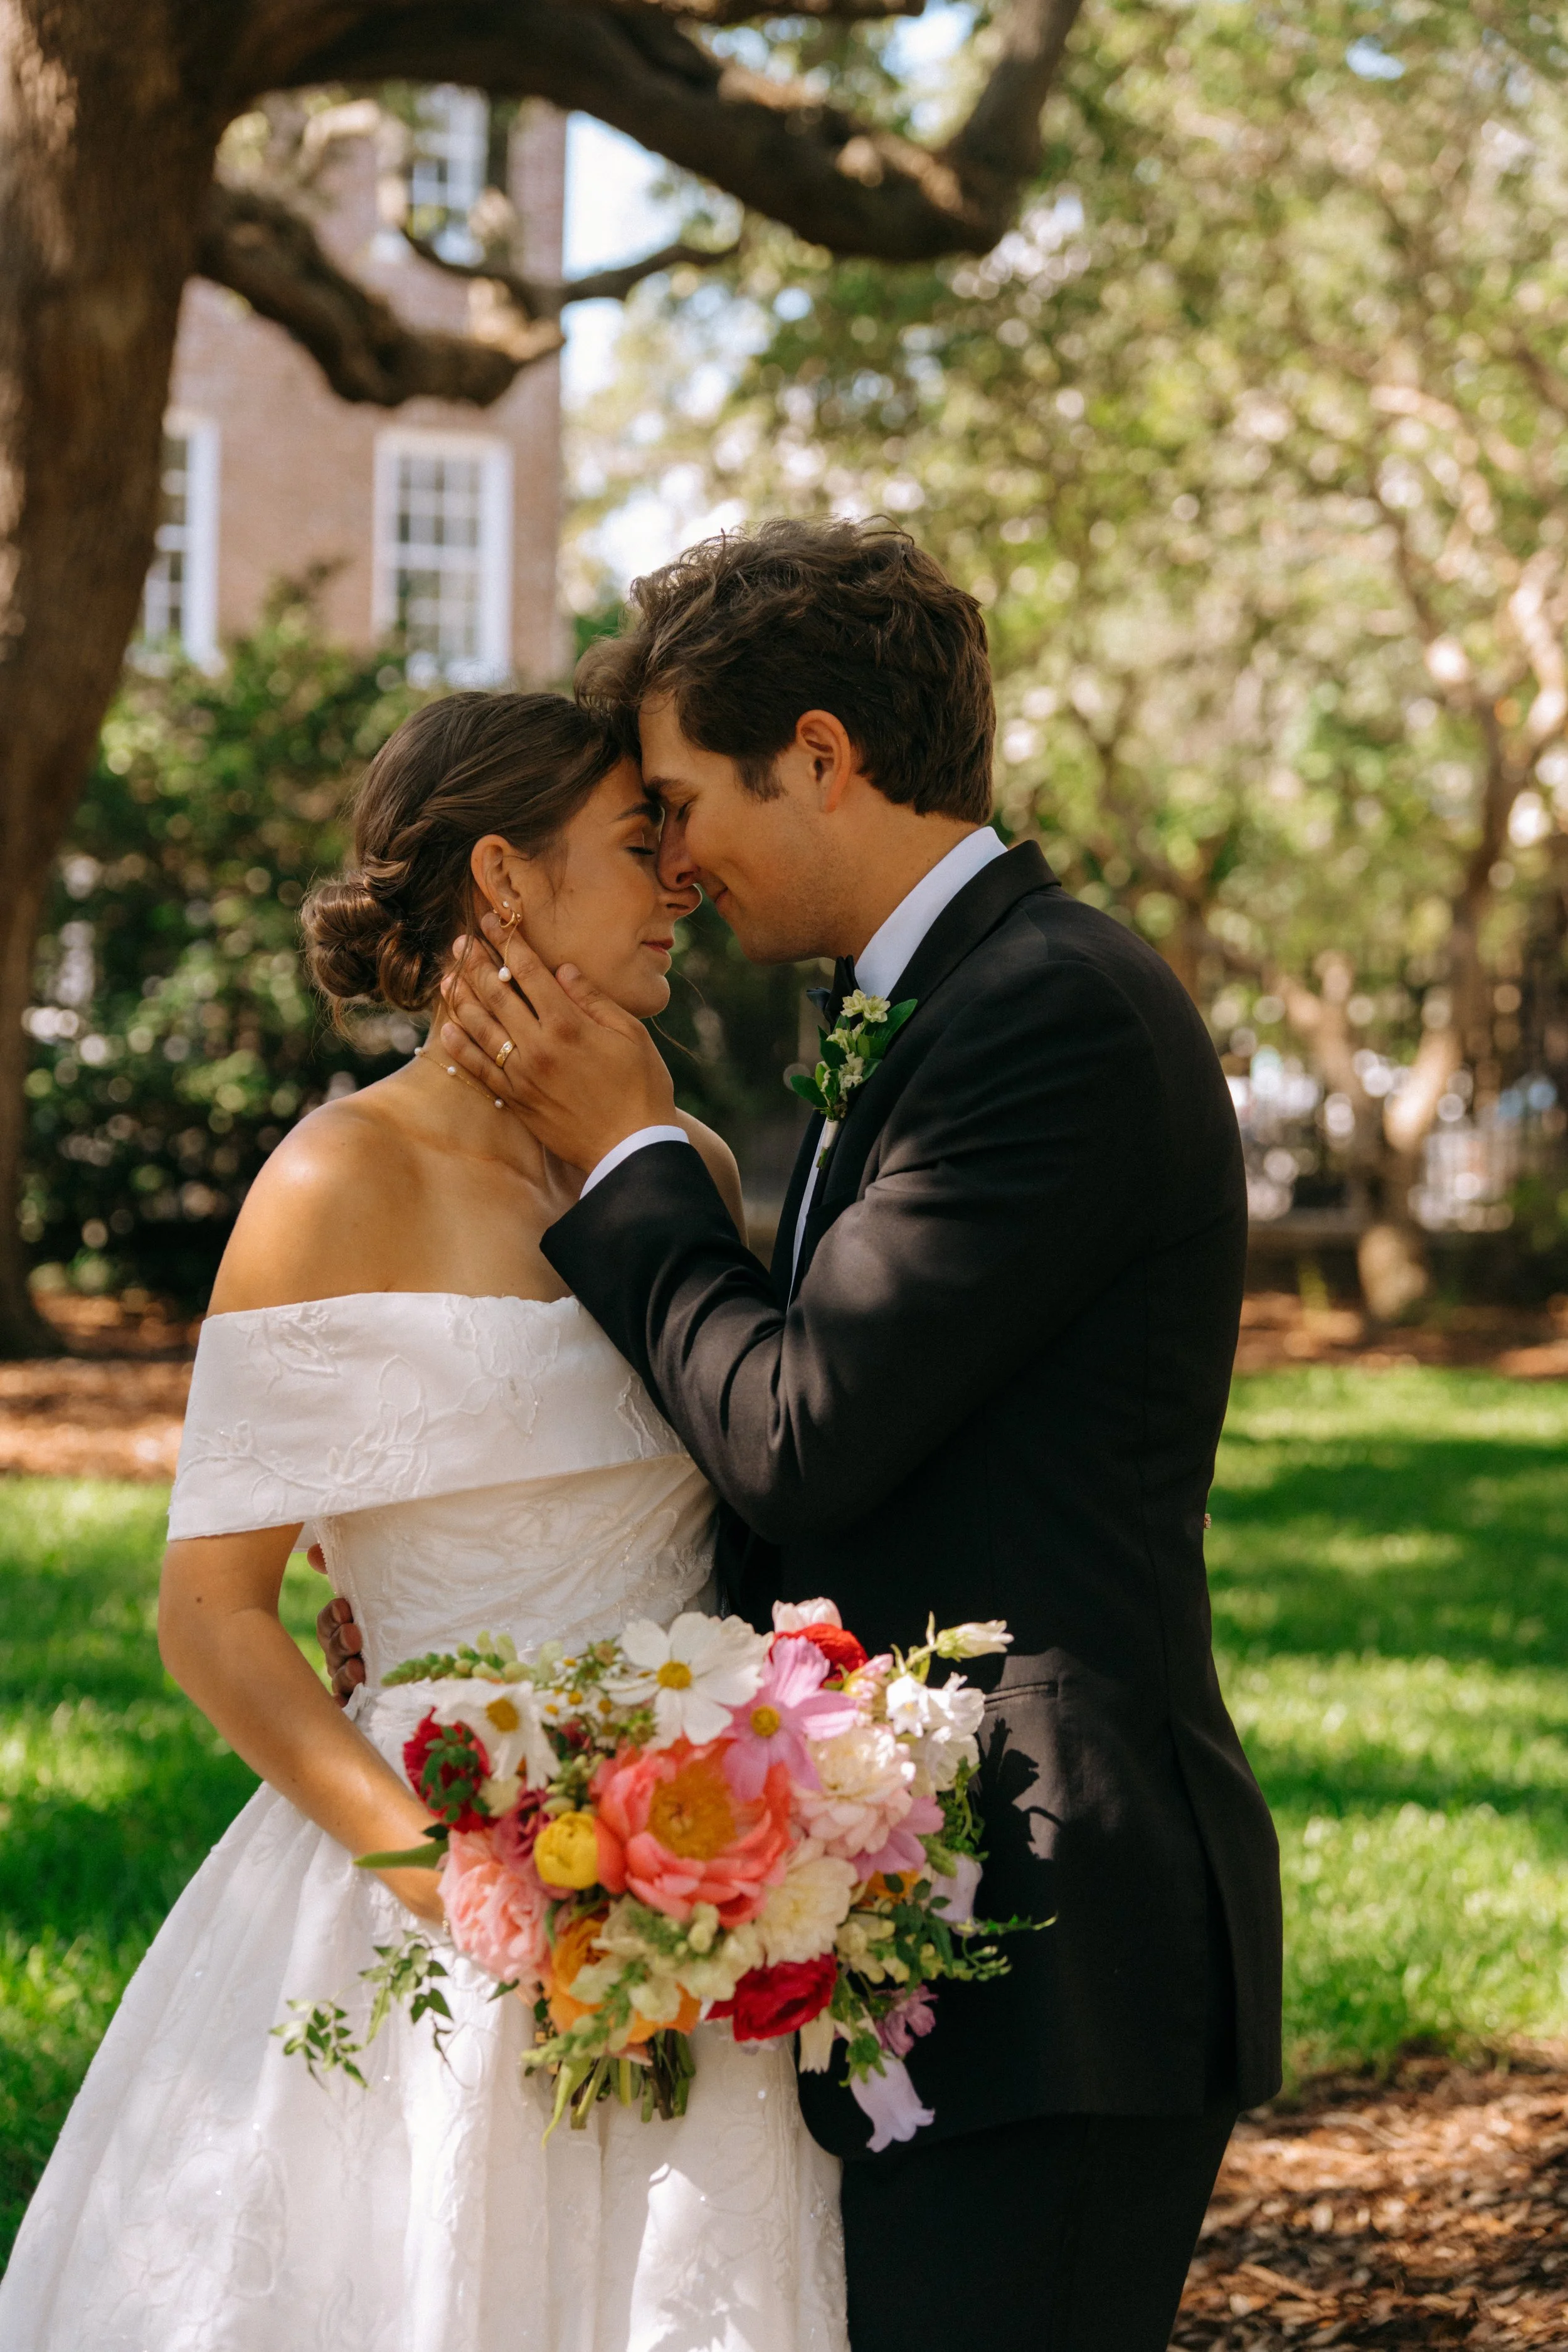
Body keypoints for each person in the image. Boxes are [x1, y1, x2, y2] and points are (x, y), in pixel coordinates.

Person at [382, 519, 1285, 2352]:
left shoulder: (1052, 1011)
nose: (671, 857)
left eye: (677, 796)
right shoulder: (931, 1007)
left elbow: (798, 1432)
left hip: (1052, 1943)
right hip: (916, 1918)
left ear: (816, 754)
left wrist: (629, 1155)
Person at [0, 691, 848, 2352]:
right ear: (502, 881)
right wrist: (452, 1885)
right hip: (433, 1879)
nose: (683, 881)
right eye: (635, 844)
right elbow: (212, 1615)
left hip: (693, 1881)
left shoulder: (677, 1156)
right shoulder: (336, 1179)